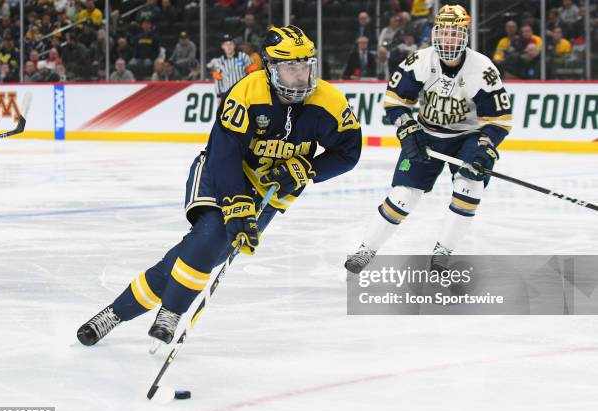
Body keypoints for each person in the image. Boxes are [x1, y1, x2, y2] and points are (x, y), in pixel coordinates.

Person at [76, 25, 362, 347]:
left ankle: (114, 313)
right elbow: (224, 156)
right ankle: (171, 311)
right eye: (289, 67)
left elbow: (348, 153)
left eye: (305, 66)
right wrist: (237, 202)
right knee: (212, 235)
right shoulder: (246, 93)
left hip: (268, 197)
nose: (299, 76)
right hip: (219, 176)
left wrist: (307, 168)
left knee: (193, 256)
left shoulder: (330, 101)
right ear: (270, 67)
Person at [345, 5, 512, 274]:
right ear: (435, 33)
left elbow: (499, 120)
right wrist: (408, 129)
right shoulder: (419, 61)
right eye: (444, 32)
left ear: (465, 36)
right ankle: (367, 249)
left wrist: (483, 148)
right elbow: (395, 100)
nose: (449, 39)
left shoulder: (482, 69)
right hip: (427, 134)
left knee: (470, 186)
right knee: (403, 196)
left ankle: (442, 252)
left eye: (455, 33)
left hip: (466, 137)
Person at [207, 34, 257, 104]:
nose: (228, 47)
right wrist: (218, 96)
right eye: (226, 45)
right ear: (222, 46)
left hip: (242, 93)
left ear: (234, 45)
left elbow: (253, 73)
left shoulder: (243, 57)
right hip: (227, 94)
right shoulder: (219, 61)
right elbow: (218, 80)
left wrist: (252, 90)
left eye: (230, 44)